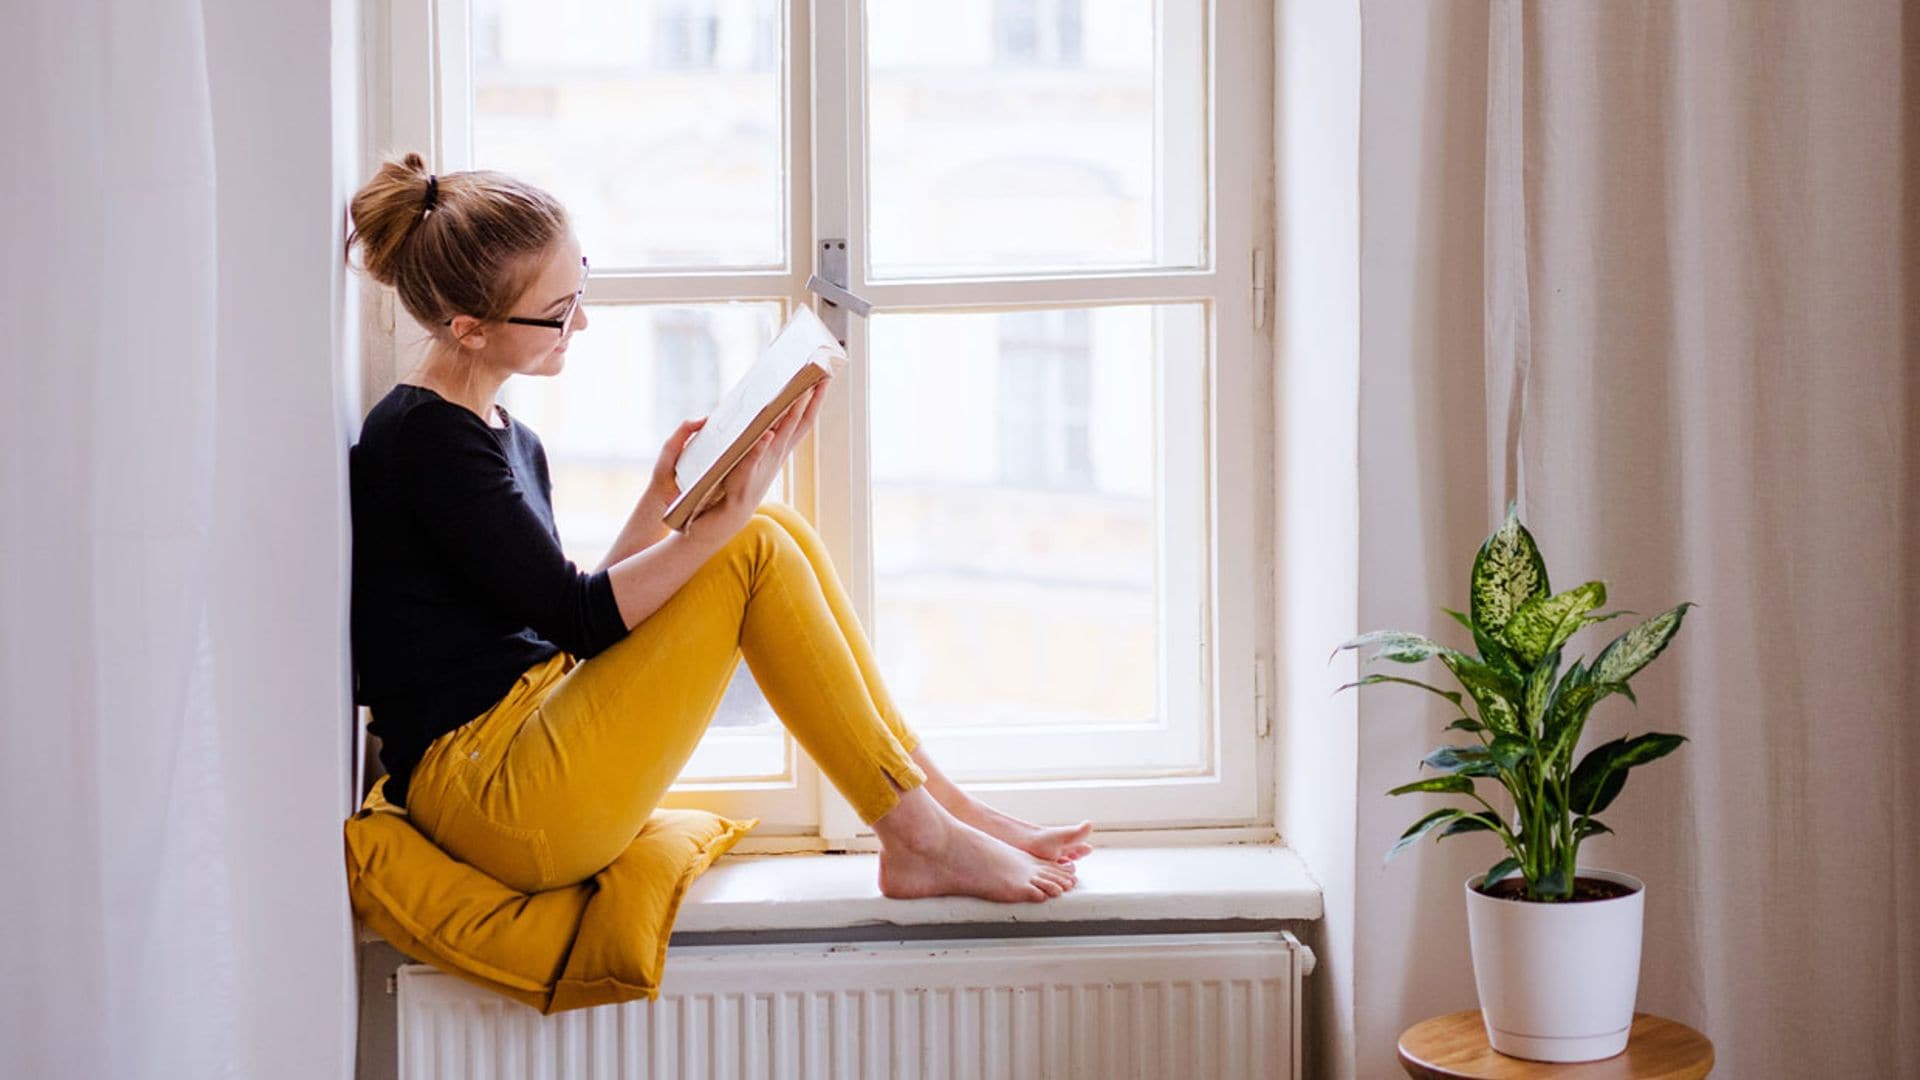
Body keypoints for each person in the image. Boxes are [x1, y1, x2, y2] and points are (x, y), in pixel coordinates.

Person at [345, 153, 1092, 904]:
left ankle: (947, 812)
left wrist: (660, 497)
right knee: (753, 542)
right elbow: (579, 618)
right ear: (470, 330)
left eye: (582, 287)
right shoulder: (426, 441)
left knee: (774, 527)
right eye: (559, 310)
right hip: (493, 801)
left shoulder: (498, 431)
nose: (583, 321)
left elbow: (554, 621)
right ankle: (922, 837)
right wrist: (713, 527)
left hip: (517, 742)